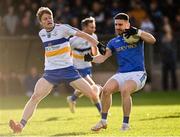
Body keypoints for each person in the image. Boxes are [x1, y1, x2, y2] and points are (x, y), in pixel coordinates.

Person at [9, 7, 106, 133]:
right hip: (51, 73)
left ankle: (98, 88)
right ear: (41, 22)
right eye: (45, 19)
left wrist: (99, 45)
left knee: (93, 95)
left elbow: (83, 34)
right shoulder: (41, 34)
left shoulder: (63, 28)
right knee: (35, 97)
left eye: (50, 17)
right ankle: (20, 126)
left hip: (68, 71)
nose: (49, 20)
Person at [84, 13, 156, 131]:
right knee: (106, 90)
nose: (117, 27)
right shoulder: (113, 42)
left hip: (138, 74)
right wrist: (91, 58)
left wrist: (137, 31)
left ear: (127, 24)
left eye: (120, 24)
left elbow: (152, 40)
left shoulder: (136, 35)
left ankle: (125, 125)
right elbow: (102, 58)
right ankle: (103, 121)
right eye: (116, 24)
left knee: (125, 90)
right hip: (121, 73)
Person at [67, 17, 101, 113]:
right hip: (77, 68)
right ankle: (101, 111)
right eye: (91, 27)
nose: (94, 29)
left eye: (94, 27)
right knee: (92, 87)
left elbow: (94, 53)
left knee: (82, 88)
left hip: (87, 66)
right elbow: (65, 52)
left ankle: (72, 99)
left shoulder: (94, 36)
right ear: (84, 27)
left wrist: (95, 49)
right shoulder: (74, 40)